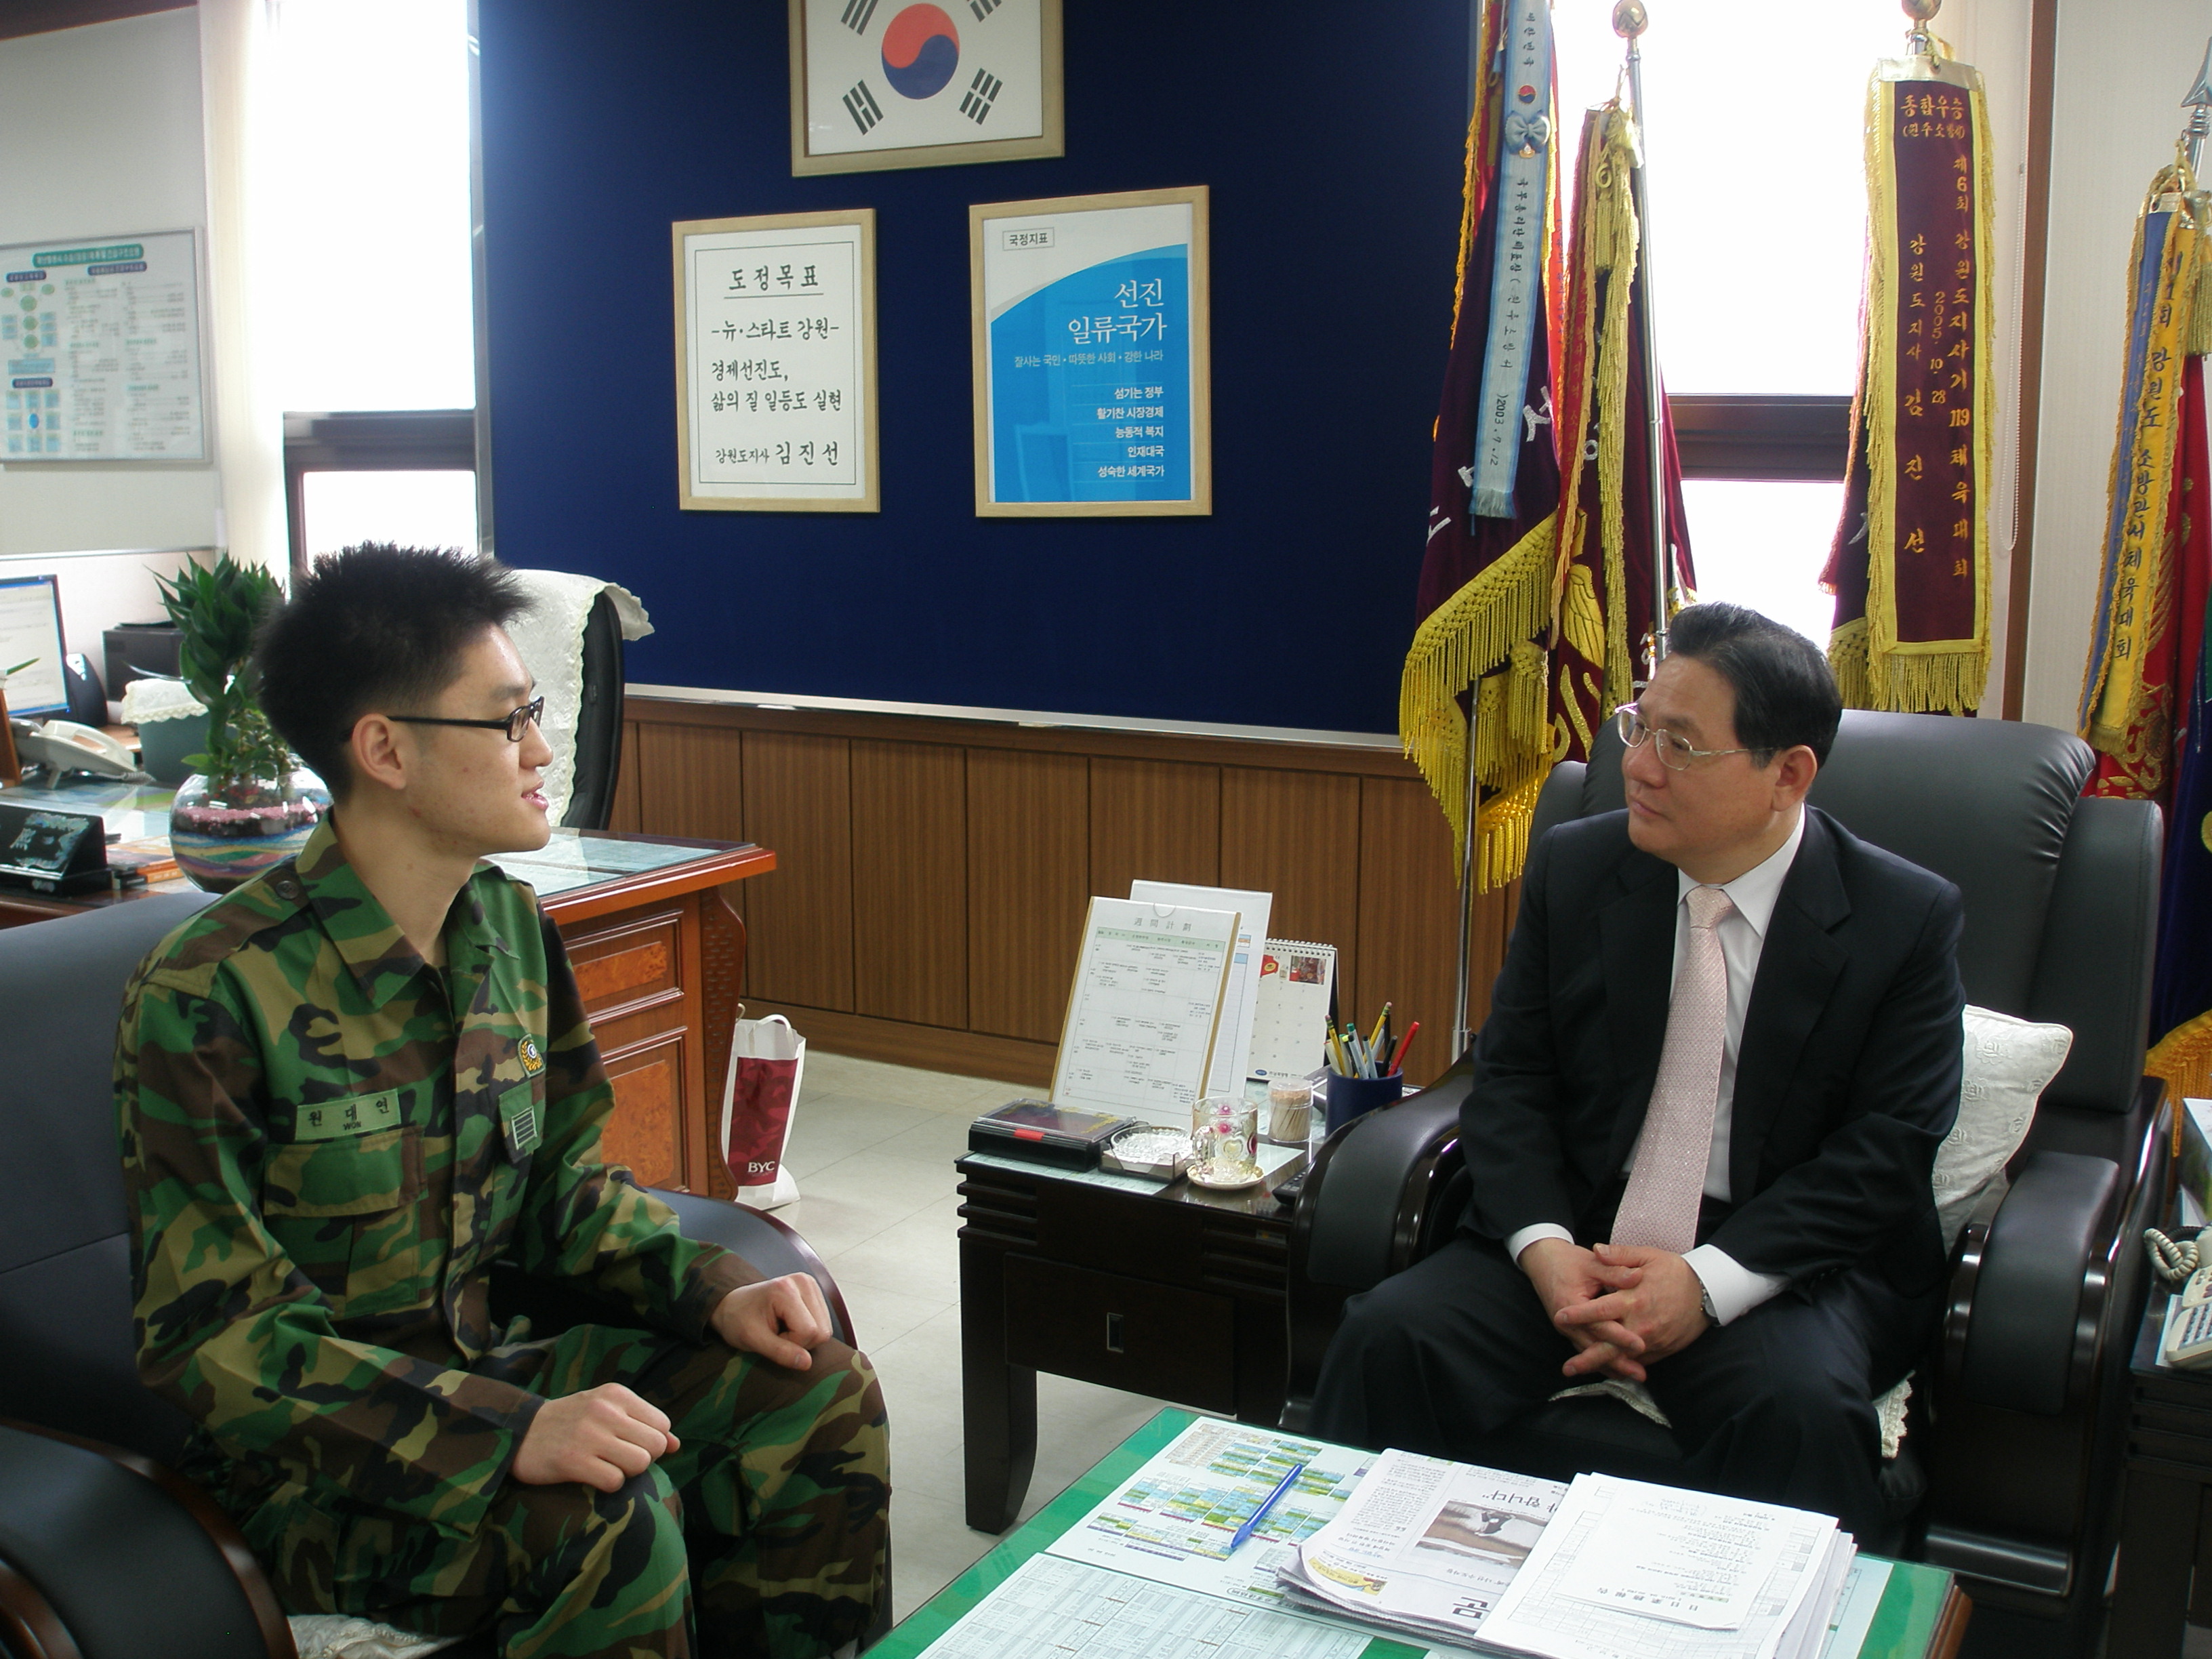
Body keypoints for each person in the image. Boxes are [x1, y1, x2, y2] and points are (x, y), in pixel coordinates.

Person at [115, 545, 887, 1658]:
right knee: (607, 1521)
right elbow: (216, 1344)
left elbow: (563, 1190)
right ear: (384, 749)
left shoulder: (508, 927)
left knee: (817, 1394)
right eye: (508, 719)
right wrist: (502, 1434)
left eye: (535, 712)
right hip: (307, 1466)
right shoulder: (211, 991)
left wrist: (713, 1290)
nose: (542, 749)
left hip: (492, 1364)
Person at [1310, 602, 1963, 1544]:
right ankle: (1344, 1590)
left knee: (1800, 1414)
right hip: (1584, 1230)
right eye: (1639, 727)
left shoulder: (1903, 918)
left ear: (1788, 775)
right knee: (1390, 1338)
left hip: (1778, 1259)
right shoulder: (1579, 867)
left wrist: (1702, 1285)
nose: (1640, 767)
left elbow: (1885, 1153)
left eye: (1681, 746)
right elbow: (1513, 1078)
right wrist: (1545, 1252)